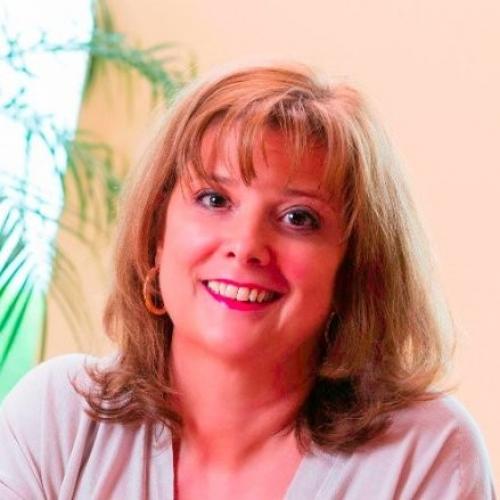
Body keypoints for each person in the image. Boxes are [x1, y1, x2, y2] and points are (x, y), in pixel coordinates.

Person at [0, 63, 496, 499]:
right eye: (214, 200)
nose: (246, 245)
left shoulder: (426, 454)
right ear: (156, 235)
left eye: (298, 218)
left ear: (354, 269)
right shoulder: (58, 417)